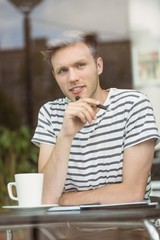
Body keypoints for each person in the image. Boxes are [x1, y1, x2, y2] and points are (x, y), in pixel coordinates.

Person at [32, 30, 160, 207]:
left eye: (80, 65)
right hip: (71, 232)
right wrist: (65, 136)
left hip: (129, 231)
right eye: (63, 70)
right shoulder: (50, 113)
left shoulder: (133, 105)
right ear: (55, 76)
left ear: (98, 66)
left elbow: (132, 194)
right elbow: (45, 198)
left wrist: (65, 199)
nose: (73, 78)